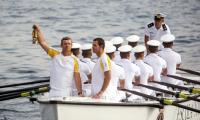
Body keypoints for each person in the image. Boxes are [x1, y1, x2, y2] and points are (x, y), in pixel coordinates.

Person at [32, 25, 83, 99]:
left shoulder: (75, 60)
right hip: (53, 91)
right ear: (61, 45)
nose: (67, 45)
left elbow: (77, 77)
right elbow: (42, 42)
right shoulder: (55, 54)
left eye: (69, 44)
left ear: (71, 46)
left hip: (66, 92)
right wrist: (38, 30)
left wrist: (80, 92)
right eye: (65, 44)